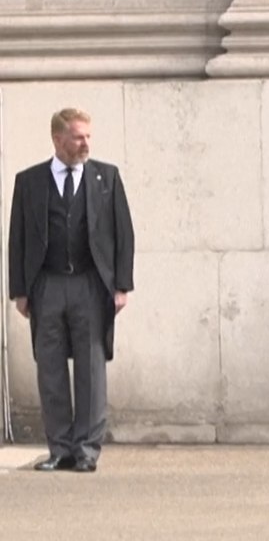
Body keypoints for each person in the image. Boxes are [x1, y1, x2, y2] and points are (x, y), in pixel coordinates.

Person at [9, 108, 135, 472]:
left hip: (90, 284)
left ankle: (86, 451)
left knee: (91, 368)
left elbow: (123, 234)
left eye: (88, 137)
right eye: (78, 137)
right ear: (57, 139)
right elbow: (17, 237)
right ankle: (60, 448)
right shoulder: (29, 181)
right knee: (49, 368)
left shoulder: (106, 178)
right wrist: (20, 289)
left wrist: (122, 285)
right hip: (46, 285)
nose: (85, 144)